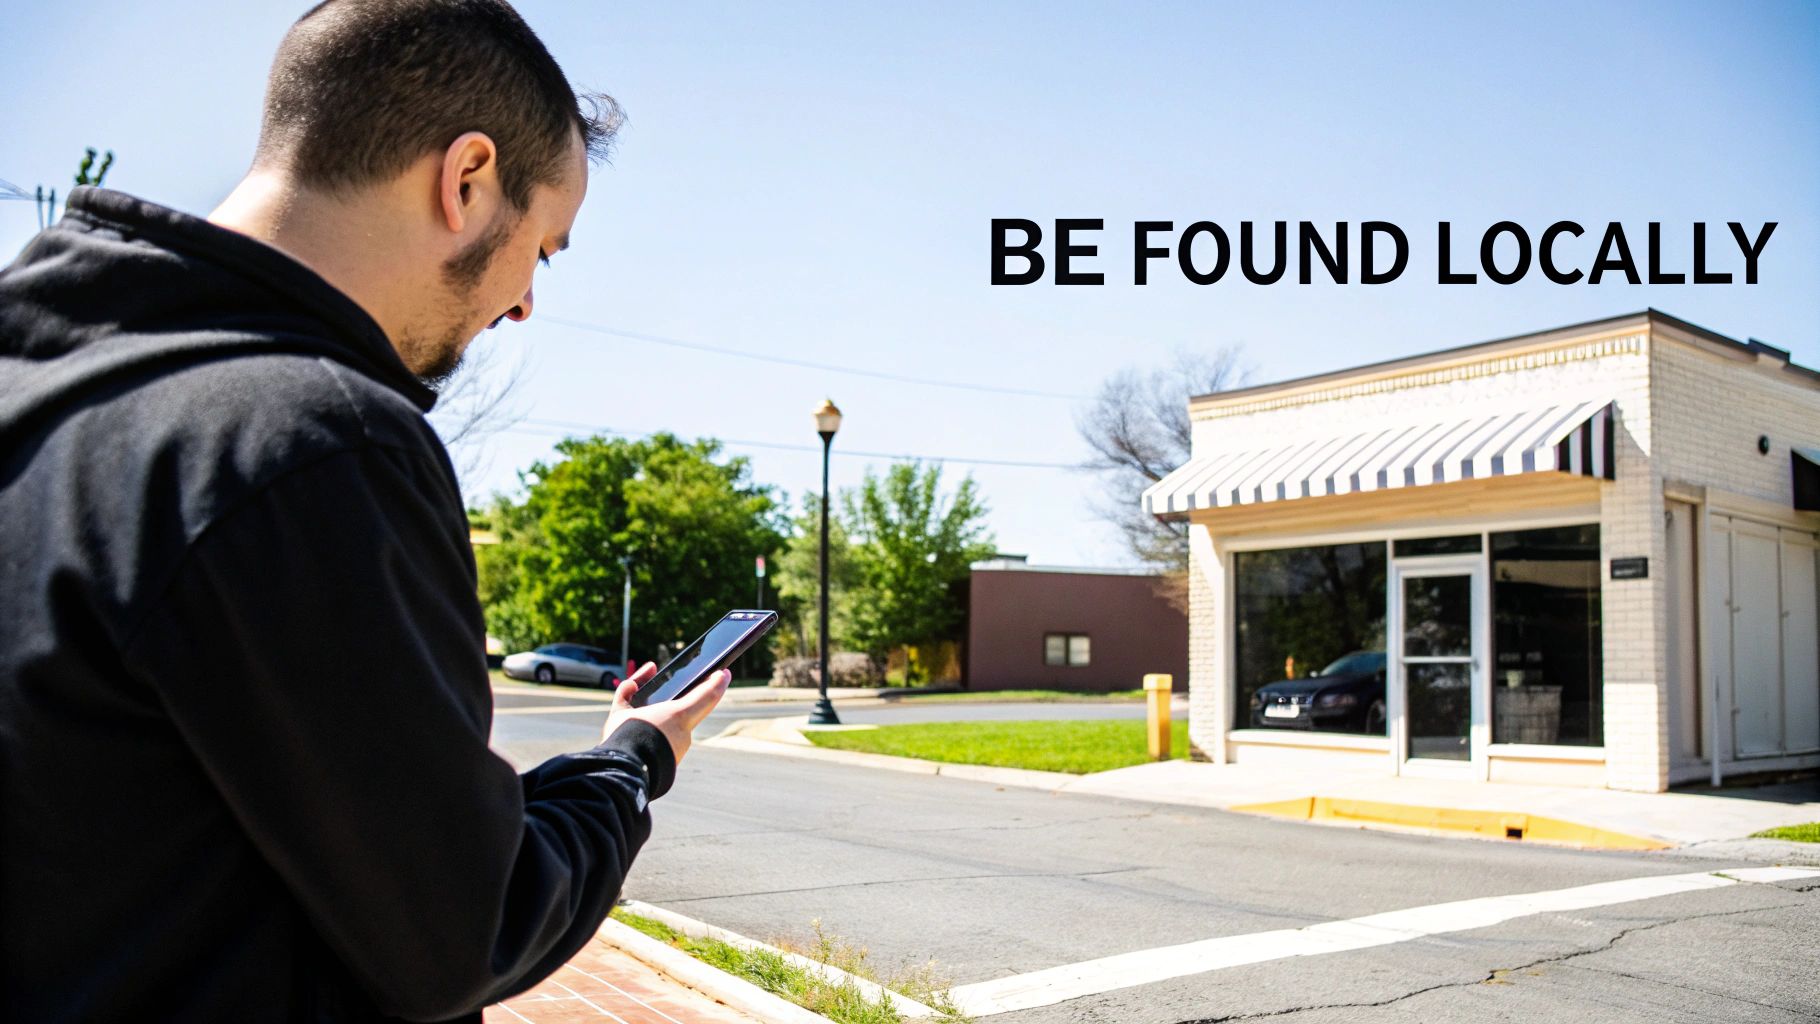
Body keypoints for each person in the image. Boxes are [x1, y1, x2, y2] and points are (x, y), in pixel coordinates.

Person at [0, 2, 730, 1020]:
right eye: (546, 249)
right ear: (467, 179)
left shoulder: (39, 379)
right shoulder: (312, 445)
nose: (524, 303)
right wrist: (632, 763)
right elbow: (468, 926)